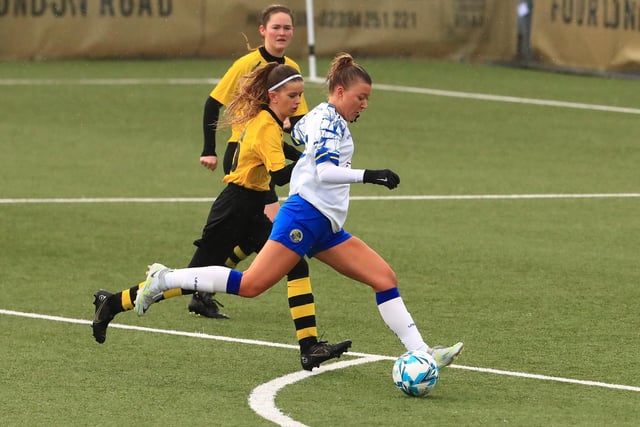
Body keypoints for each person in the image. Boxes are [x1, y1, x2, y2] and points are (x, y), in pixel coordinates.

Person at [135, 53, 464, 370]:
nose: (364, 105)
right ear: (339, 92)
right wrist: (370, 175)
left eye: (367, 99)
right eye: (360, 97)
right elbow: (324, 172)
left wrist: (299, 136)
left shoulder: (323, 118)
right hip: (304, 217)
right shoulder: (326, 121)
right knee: (251, 285)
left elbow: (301, 131)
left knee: (383, 278)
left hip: (327, 225)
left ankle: (422, 352)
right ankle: (164, 278)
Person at [94, 63, 351, 371]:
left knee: (296, 265)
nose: (297, 102)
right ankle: (113, 303)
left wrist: (304, 155)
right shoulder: (267, 125)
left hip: (252, 207)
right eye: (292, 96)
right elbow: (280, 176)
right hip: (235, 208)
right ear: (273, 96)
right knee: (193, 278)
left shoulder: (264, 120)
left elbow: (277, 151)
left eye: (299, 95)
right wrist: (316, 162)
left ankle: (310, 347)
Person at [191, 3, 309, 317]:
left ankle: (205, 288)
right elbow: (212, 103)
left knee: (252, 230)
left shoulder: (291, 68)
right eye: (276, 27)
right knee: (273, 230)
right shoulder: (247, 64)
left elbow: (299, 119)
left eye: (287, 28)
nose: (282, 33)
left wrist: (312, 149)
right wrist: (209, 149)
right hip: (243, 154)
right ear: (263, 30)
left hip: (270, 152)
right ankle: (200, 284)